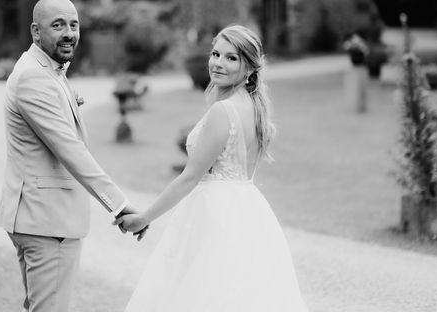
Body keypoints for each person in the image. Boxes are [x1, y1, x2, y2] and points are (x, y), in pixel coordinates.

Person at [114, 24, 309, 311]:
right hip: (248, 211)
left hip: (215, 214)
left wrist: (145, 217)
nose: (218, 63)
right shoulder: (256, 110)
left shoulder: (223, 111)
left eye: (231, 58)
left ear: (250, 69)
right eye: (216, 53)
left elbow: (189, 177)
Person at [0, 0, 145, 312]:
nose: (69, 33)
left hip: (37, 219)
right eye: (58, 25)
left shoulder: (46, 69)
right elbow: (71, 150)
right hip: (48, 223)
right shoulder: (34, 77)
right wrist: (118, 205)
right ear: (36, 31)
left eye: (74, 25)